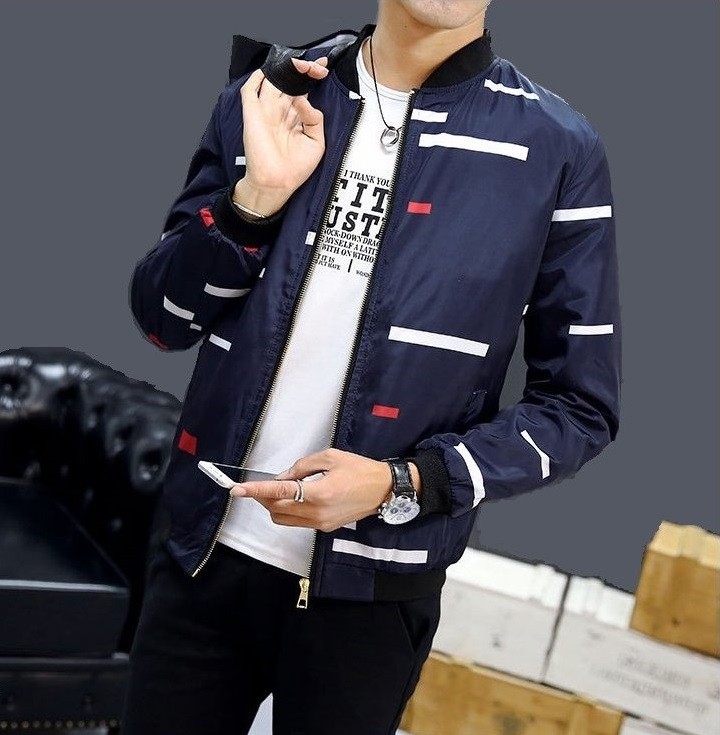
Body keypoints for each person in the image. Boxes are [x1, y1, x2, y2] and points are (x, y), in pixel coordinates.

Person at [122, 0, 621, 733]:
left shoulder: (555, 151)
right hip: (201, 553)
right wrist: (253, 203)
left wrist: (402, 483)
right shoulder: (274, 91)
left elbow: (581, 407)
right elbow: (163, 320)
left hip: (372, 596)